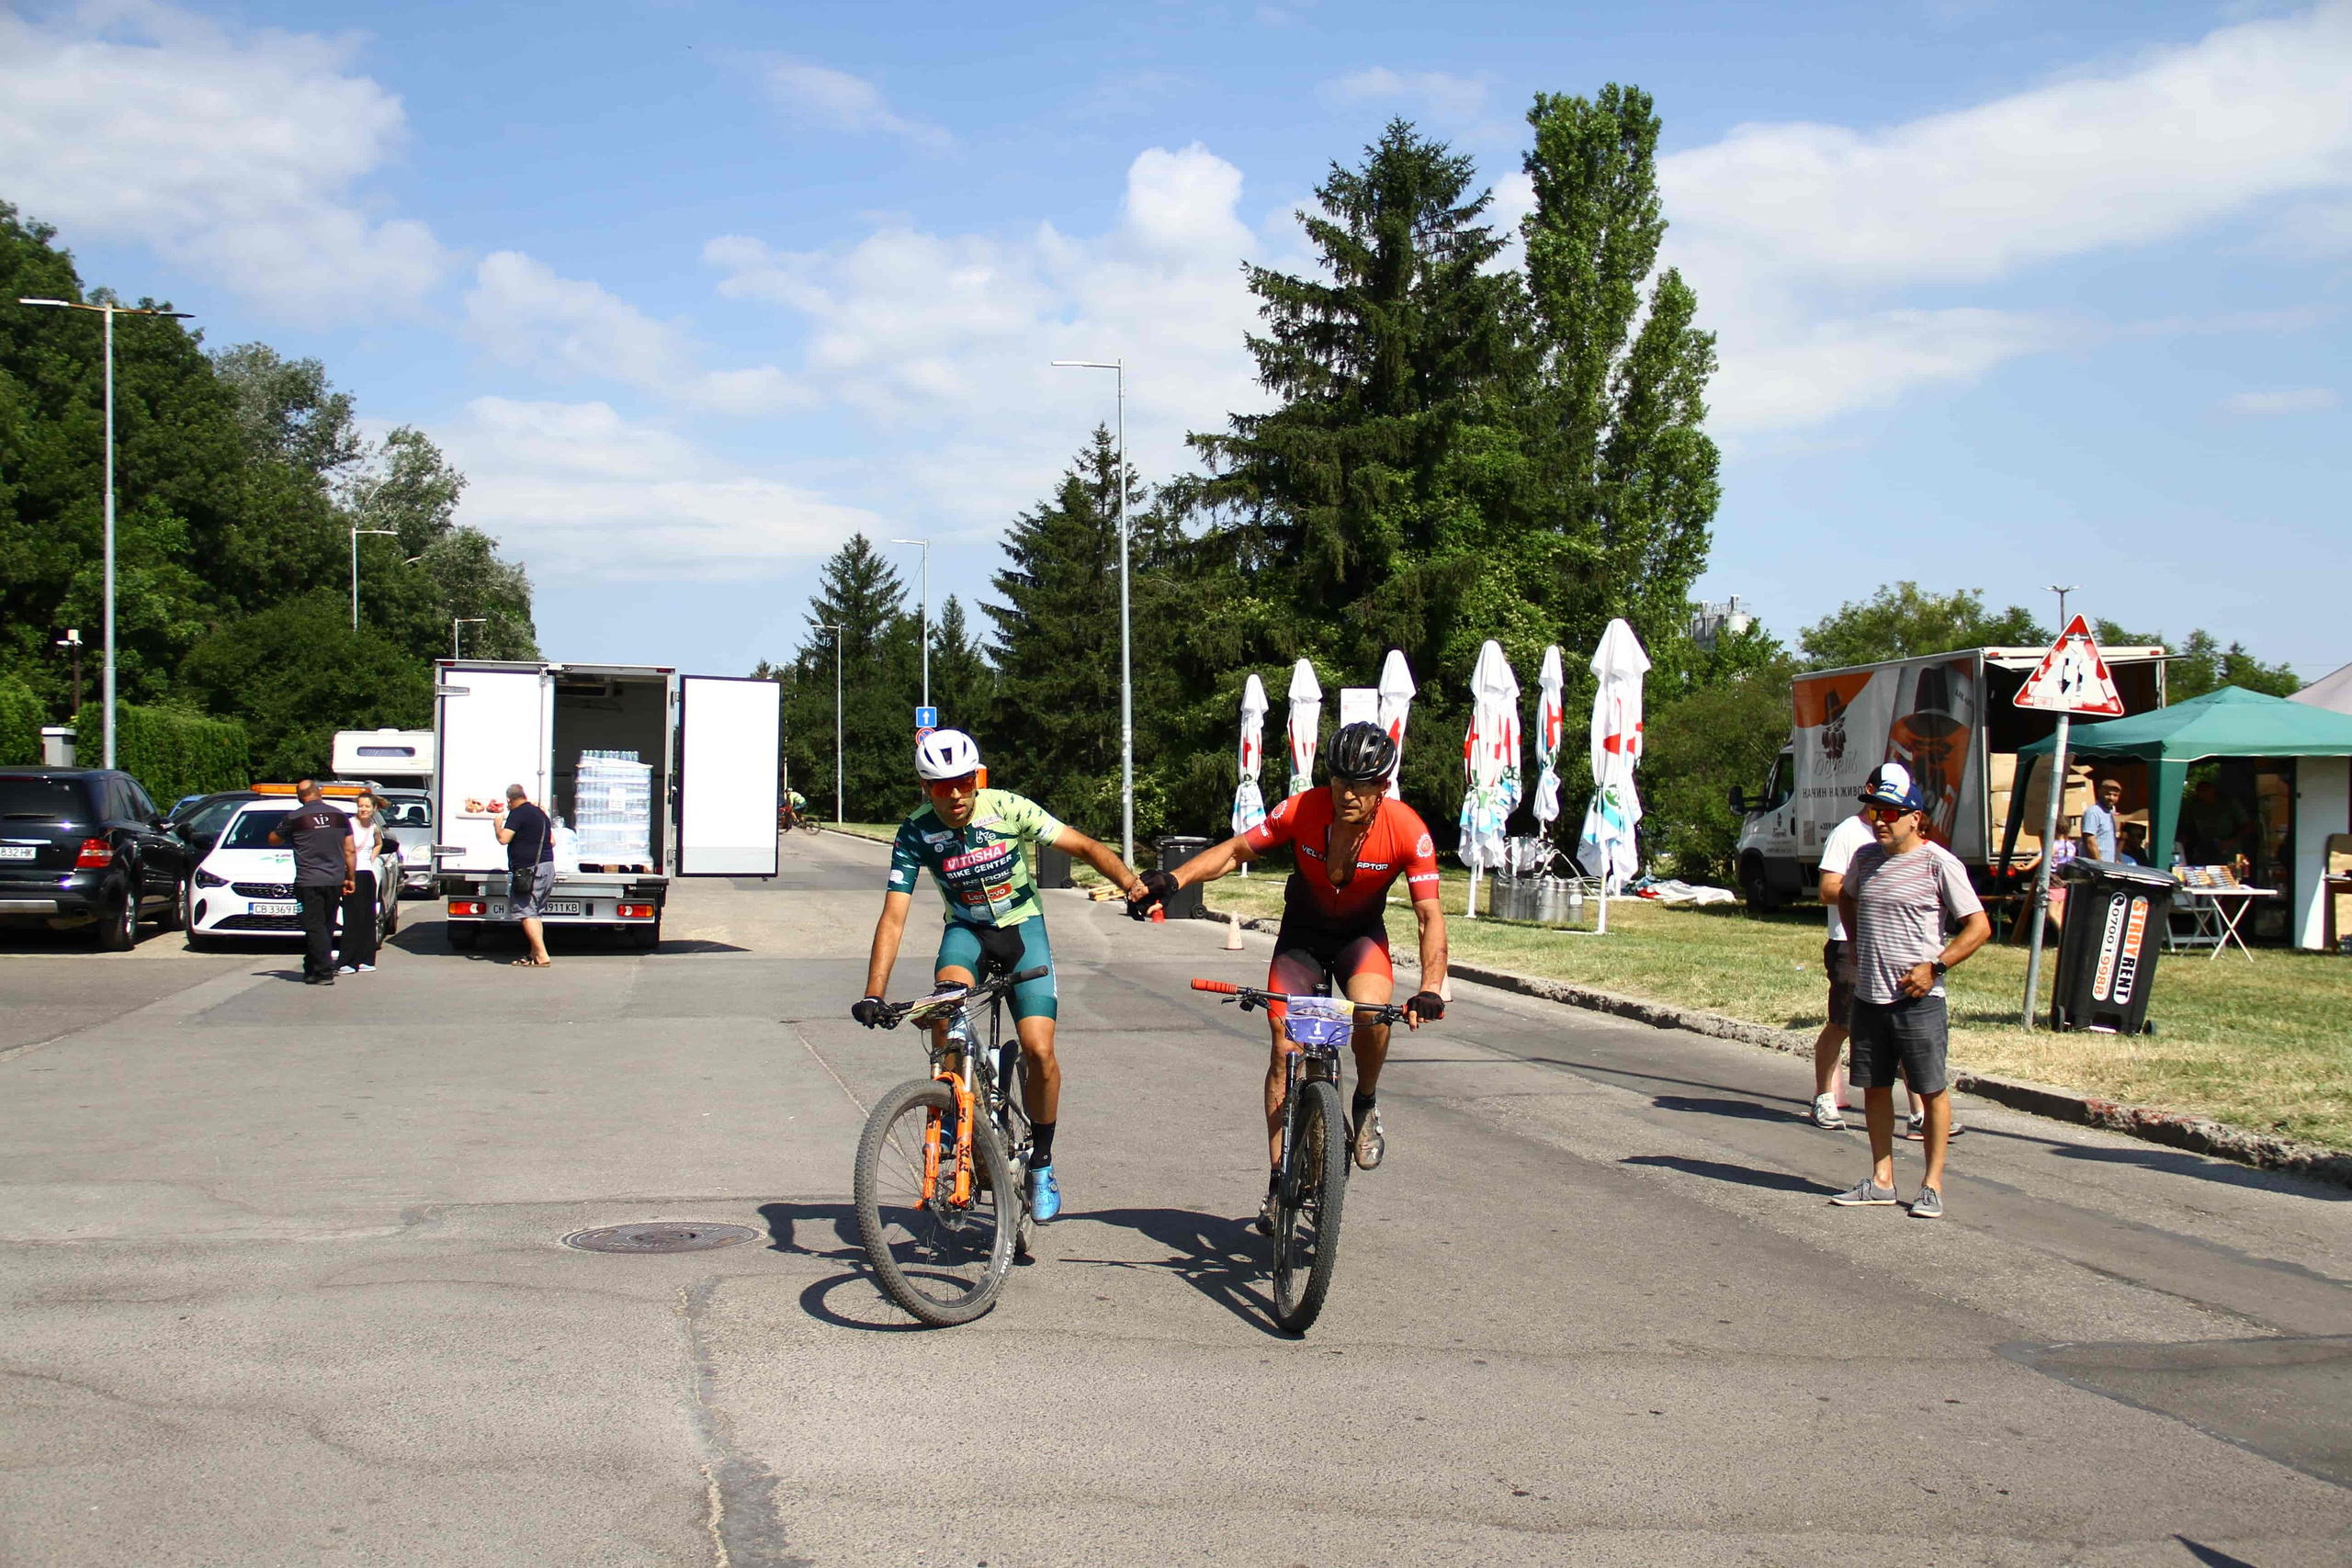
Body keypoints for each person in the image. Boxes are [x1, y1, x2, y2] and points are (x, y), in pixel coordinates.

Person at [1129, 721, 1447, 1236]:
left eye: (1362, 784)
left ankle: (1364, 1100)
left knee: (1372, 1014)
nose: (1348, 793)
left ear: (1381, 787)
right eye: (1340, 779)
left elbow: (1430, 917)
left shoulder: (1407, 830)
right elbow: (1235, 851)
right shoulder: (1302, 809)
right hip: (1301, 939)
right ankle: (1279, 1182)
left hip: (1360, 940)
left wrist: (1431, 987)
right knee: (1283, 1047)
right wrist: (1173, 879)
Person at [852, 729, 1143, 1223]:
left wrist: (1133, 886)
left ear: (976, 777)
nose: (957, 794)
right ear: (924, 788)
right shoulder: (915, 833)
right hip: (966, 932)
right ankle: (948, 1107)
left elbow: (1087, 846)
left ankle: (1043, 1163)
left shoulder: (1007, 808)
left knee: (1039, 1050)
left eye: (964, 781)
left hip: (1021, 929)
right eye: (942, 786)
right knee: (944, 1005)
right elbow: (894, 916)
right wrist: (873, 993)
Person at [1828, 766, 1991, 1219]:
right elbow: (1846, 896)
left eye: (1892, 813)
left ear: (1916, 818)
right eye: (1876, 811)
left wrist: (1935, 966)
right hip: (1870, 997)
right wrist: (1856, 943)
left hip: (1918, 1001)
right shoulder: (1864, 859)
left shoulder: (1939, 863)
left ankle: (1931, 1185)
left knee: (1930, 1089)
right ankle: (1881, 1180)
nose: (1881, 820)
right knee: (1875, 1088)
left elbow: (1978, 927)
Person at [1809, 793, 1877, 1130]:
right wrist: (1871, 889)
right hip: (1847, 941)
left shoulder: (1903, 838)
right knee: (1844, 1022)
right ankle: (1824, 1097)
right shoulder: (1848, 833)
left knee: (1902, 1025)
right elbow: (1826, 890)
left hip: (1890, 945)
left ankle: (1920, 1110)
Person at [269, 779, 355, 986]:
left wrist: (284, 832)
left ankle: (324, 972)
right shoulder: (339, 816)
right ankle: (312, 968)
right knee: (325, 924)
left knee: (312, 926)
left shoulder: (295, 817)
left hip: (308, 881)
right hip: (334, 880)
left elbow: (273, 839)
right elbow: (350, 849)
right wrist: (350, 877)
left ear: (300, 796)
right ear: (320, 792)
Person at [492, 784, 555, 968]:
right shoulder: (540, 814)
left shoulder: (518, 813)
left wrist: (497, 826)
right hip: (547, 867)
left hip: (529, 871)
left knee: (526, 912)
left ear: (509, 800)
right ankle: (534, 954)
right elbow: (552, 841)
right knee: (535, 913)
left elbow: (504, 838)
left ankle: (542, 955)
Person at [337, 792, 386, 975]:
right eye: (360, 806)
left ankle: (366, 959)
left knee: (367, 918)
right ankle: (347, 961)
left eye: (366, 806)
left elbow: (379, 844)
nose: (363, 809)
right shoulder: (349, 824)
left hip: (367, 875)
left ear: (374, 808)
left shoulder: (373, 827)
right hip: (351, 874)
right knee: (352, 918)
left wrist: (371, 858)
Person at [2079, 775, 2122, 863]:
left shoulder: (2110, 814)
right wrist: (2100, 865)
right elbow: (2090, 842)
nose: (2112, 798)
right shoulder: (2093, 812)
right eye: (2108, 794)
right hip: (2096, 868)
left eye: (2115, 795)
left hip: (2109, 866)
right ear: (2100, 793)